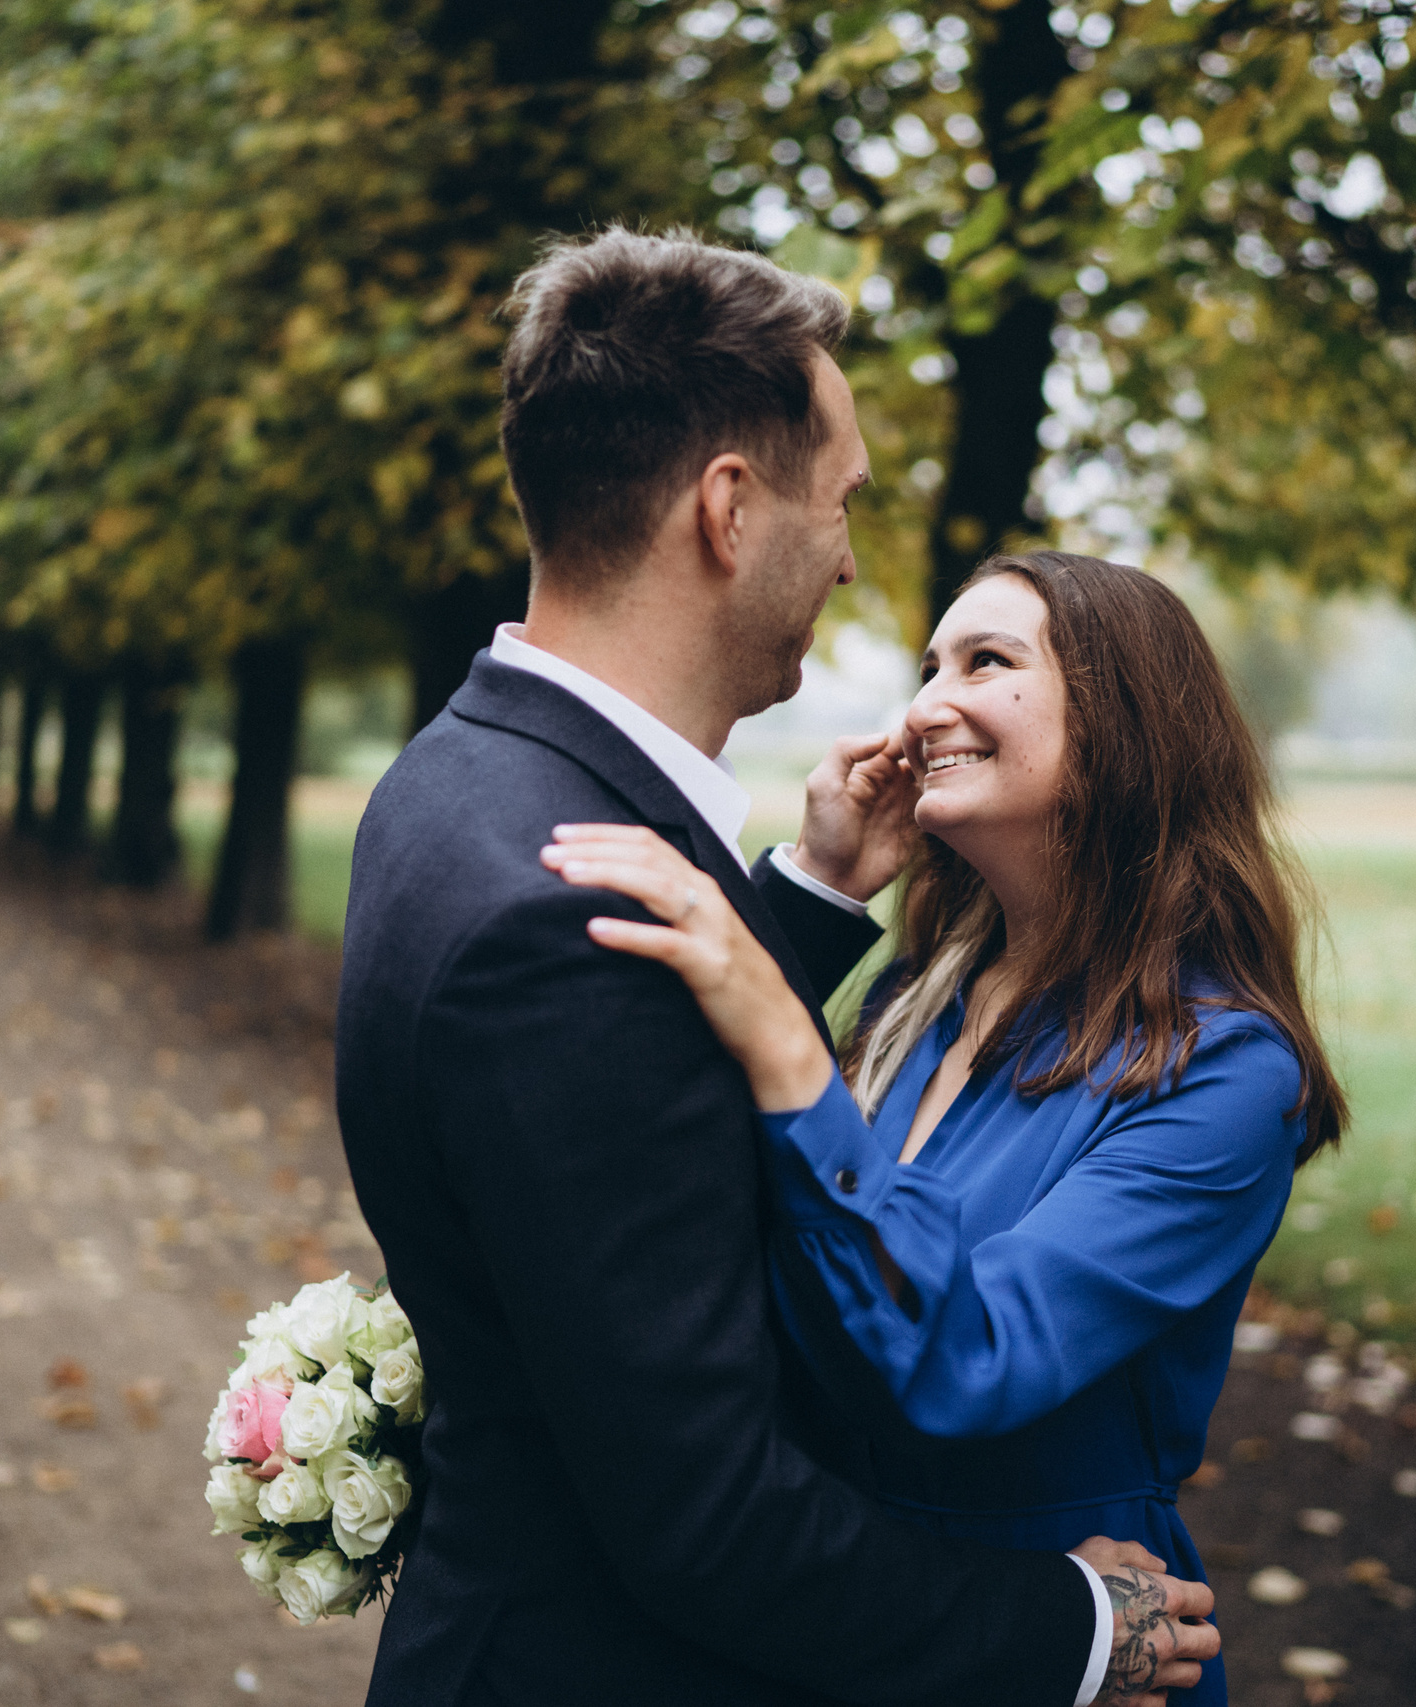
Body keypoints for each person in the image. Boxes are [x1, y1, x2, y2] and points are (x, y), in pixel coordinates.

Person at [333, 231, 1219, 1707]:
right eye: (844, 497)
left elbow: (631, 1129)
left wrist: (798, 905)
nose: (853, 551)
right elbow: (711, 1522)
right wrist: (1065, 1629)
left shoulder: (455, 783)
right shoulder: (570, 912)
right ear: (731, 509)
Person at [547, 551, 1348, 1707]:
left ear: (1122, 719)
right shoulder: (920, 993)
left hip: (1067, 1645)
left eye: (987, 663)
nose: (927, 707)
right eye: (929, 667)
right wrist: (817, 887)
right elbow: (705, 1189)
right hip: (844, 1611)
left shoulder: (1225, 1072)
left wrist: (784, 1037)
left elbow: (968, 1360)